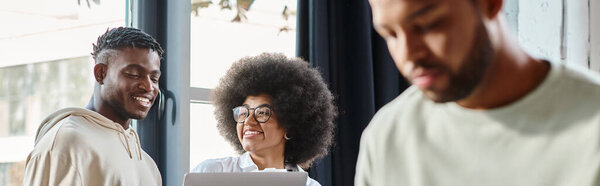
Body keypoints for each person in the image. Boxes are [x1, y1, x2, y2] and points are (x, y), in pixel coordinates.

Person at [356, 0, 600, 185]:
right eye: (390, 34)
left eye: (427, 25)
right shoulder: (386, 137)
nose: (408, 55)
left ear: (491, 3)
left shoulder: (593, 126)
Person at [22, 27, 164, 186]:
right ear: (101, 73)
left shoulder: (148, 164)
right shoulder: (68, 142)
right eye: (133, 74)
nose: (148, 86)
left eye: (154, 78)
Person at [191, 53, 336, 186]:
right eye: (243, 112)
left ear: (290, 126)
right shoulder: (211, 172)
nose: (248, 121)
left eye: (262, 113)